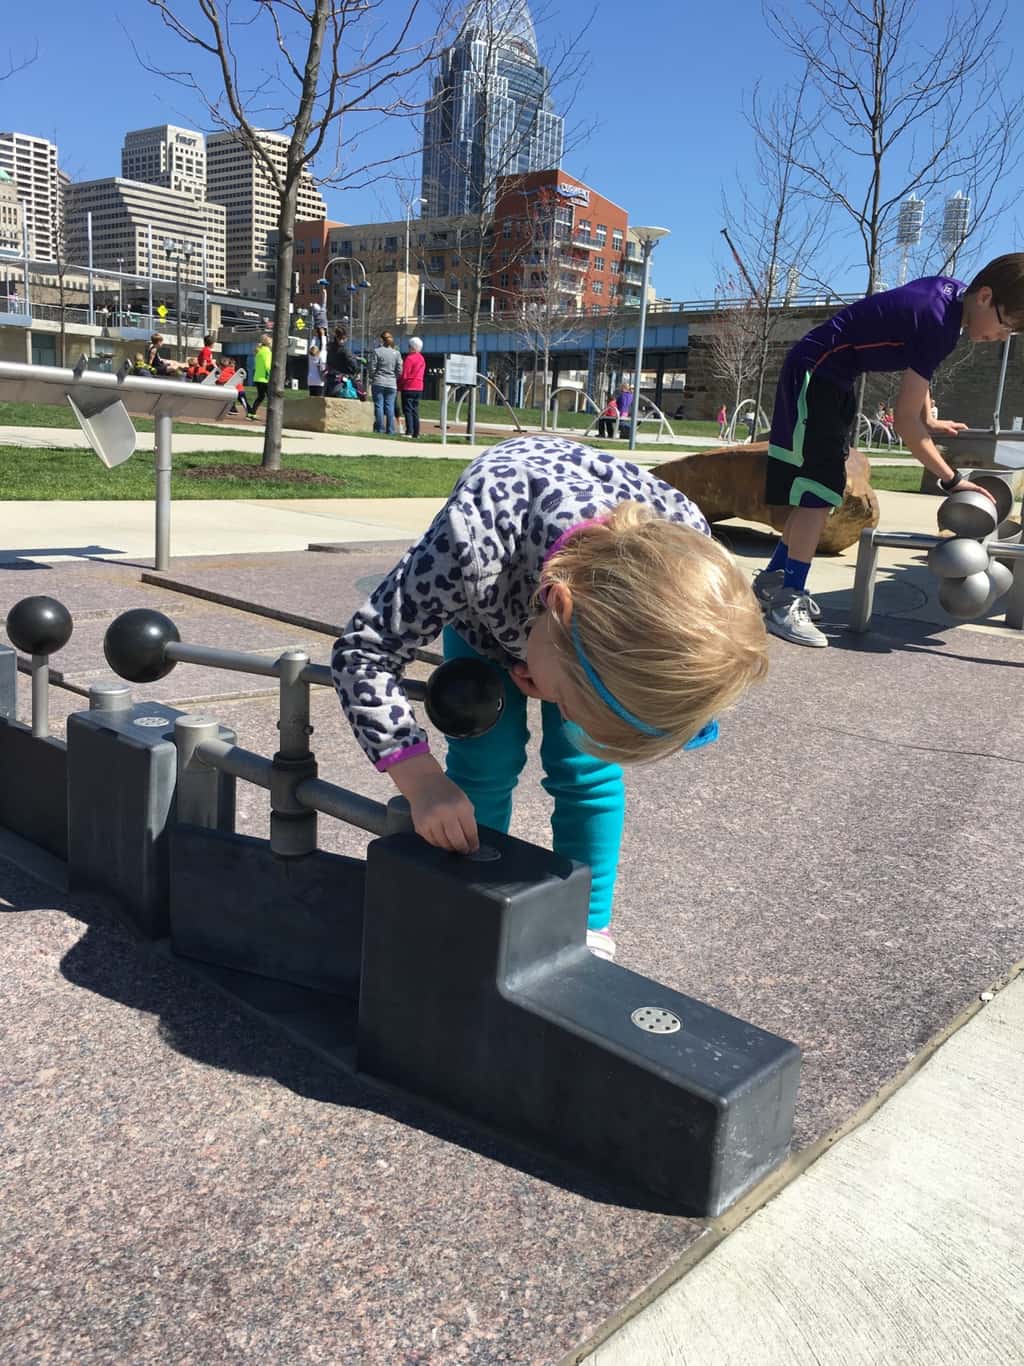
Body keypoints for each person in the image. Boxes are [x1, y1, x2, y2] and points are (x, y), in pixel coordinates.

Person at [331, 436, 768, 960]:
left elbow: (692, 676)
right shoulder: (474, 537)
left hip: (560, 627)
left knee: (586, 769)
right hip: (490, 601)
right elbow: (364, 652)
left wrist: (584, 699)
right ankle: (469, 894)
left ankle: (585, 921)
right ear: (559, 606)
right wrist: (421, 782)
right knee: (484, 756)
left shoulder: (687, 567)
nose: (553, 707)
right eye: (562, 700)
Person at [755, 254, 1024, 648]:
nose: (1002, 337)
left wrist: (928, 417)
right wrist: (952, 480)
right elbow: (903, 423)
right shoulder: (941, 325)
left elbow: (920, 365)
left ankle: (772, 581)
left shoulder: (946, 298)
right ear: (985, 296)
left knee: (820, 491)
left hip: (830, 376)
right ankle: (786, 601)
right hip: (816, 377)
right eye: (1007, 325)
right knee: (817, 491)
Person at [369, 329, 403, 434]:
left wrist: (373, 376)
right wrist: (394, 377)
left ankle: (379, 428)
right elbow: (399, 369)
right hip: (391, 383)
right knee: (390, 406)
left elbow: (372, 367)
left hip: (379, 381)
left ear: (381, 340)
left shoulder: (377, 351)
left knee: (379, 405)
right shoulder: (396, 353)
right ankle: (390, 429)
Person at [398, 336, 426, 438]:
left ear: (412, 347)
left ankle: (409, 431)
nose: (408, 348)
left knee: (408, 410)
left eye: (409, 346)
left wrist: (399, 386)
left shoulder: (409, 358)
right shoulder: (422, 359)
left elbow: (404, 374)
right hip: (419, 386)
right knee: (415, 410)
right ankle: (416, 432)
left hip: (409, 386)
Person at [325, 326, 359, 396]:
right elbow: (353, 363)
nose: (342, 341)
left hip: (331, 379)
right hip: (343, 380)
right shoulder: (344, 351)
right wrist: (356, 371)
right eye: (342, 338)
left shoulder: (329, 348)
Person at [247, 333, 272, 420]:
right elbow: (267, 365)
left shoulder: (259, 351)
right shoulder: (267, 352)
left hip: (257, 377)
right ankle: (272, 416)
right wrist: (270, 374)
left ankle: (252, 413)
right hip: (265, 378)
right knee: (271, 398)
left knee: (260, 397)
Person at [311, 279, 330, 355]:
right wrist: (324, 289)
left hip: (321, 328)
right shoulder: (322, 310)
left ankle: (323, 346)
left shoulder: (317, 313)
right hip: (322, 328)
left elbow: (324, 300)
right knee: (324, 342)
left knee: (323, 342)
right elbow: (324, 300)